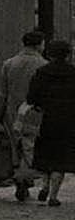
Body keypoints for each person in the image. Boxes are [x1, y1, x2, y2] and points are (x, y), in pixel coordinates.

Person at [0, 31, 47, 200]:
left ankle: (20, 182)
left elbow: (2, 94)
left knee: (15, 149)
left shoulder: (9, 64)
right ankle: (24, 180)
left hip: (12, 114)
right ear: (39, 45)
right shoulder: (44, 65)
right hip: (35, 113)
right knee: (30, 148)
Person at [25, 39, 75, 206]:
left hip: (46, 120)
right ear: (68, 54)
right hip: (68, 121)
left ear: (50, 54)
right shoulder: (73, 72)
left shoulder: (41, 72)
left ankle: (44, 184)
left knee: (46, 155)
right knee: (60, 159)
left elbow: (31, 98)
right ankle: (53, 196)